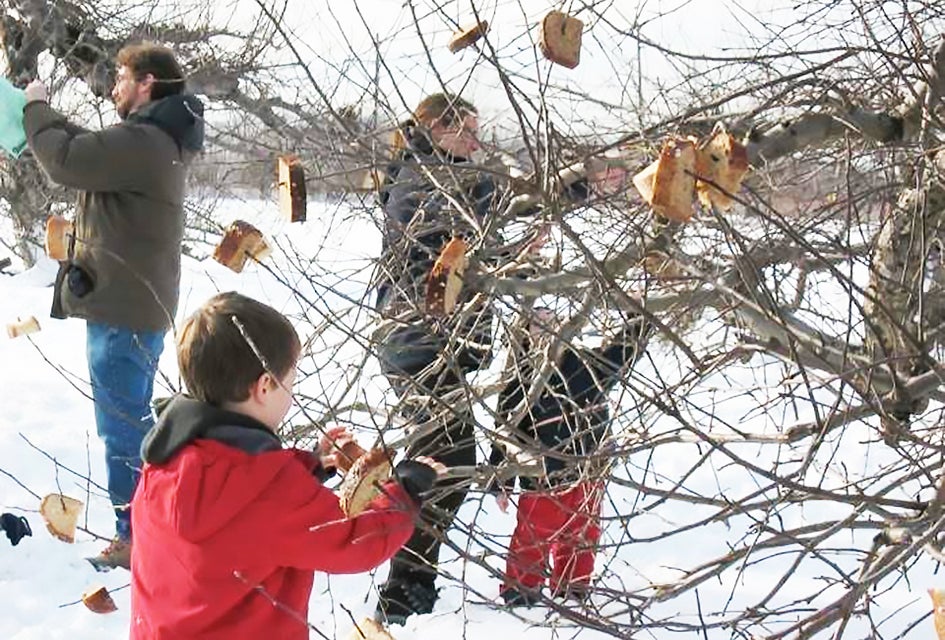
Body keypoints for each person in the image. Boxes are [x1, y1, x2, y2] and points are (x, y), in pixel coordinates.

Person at [373, 92, 628, 623]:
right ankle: (404, 586)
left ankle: (410, 581)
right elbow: (481, 225)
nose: (476, 140)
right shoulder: (433, 178)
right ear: (436, 130)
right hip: (422, 344)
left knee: (445, 457)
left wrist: (514, 248)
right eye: (466, 129)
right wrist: (575, 187)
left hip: (435, 343)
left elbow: (471, 244)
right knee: (445, 458)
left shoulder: (434, 173)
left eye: (477, 129)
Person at [130, 291, 442, 639]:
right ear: (264, 386)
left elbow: (243, 510)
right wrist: (405, 490)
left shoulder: (162, 467)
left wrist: (309, 466)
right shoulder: (271, 492)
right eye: (290, 381)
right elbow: (355, 542)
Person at [21, 43, 204, 569]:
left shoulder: (147, 140)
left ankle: (137, 537)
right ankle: (150, 528)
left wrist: (34, 107)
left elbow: (66, 160)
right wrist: (47, 118)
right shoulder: (153, 138)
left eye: (122, 77)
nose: (113, 87)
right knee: (130, 422)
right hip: (129, 306)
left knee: (121, 427)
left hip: (124, 312)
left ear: (146, 83)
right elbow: (86, 145)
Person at [488, 307, 649, 606]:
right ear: (525, 337)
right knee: (534, 537)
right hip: (545, 476)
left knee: (583, 534)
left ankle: (572, 590)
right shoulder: (521, 381)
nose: (547, 332)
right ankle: (520, 592)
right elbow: (504, 432)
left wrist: (637, 321)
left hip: (590, 469)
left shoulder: (586, 366)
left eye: (553, 323)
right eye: (537, 327)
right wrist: (500, 481)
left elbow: (620, 356)